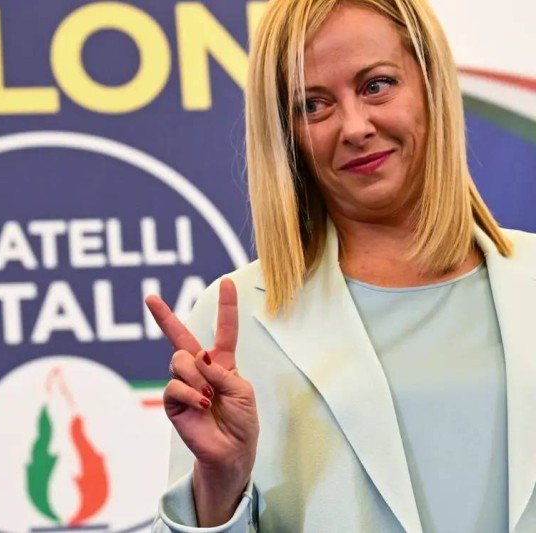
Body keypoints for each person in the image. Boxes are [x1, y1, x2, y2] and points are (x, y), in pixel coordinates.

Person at [146, 0, 536, 531]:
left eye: (377, 85)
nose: (355, 127)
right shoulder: (237, 316)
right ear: (286, 134)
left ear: (431, 85)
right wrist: (220, 482)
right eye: (313, 105)